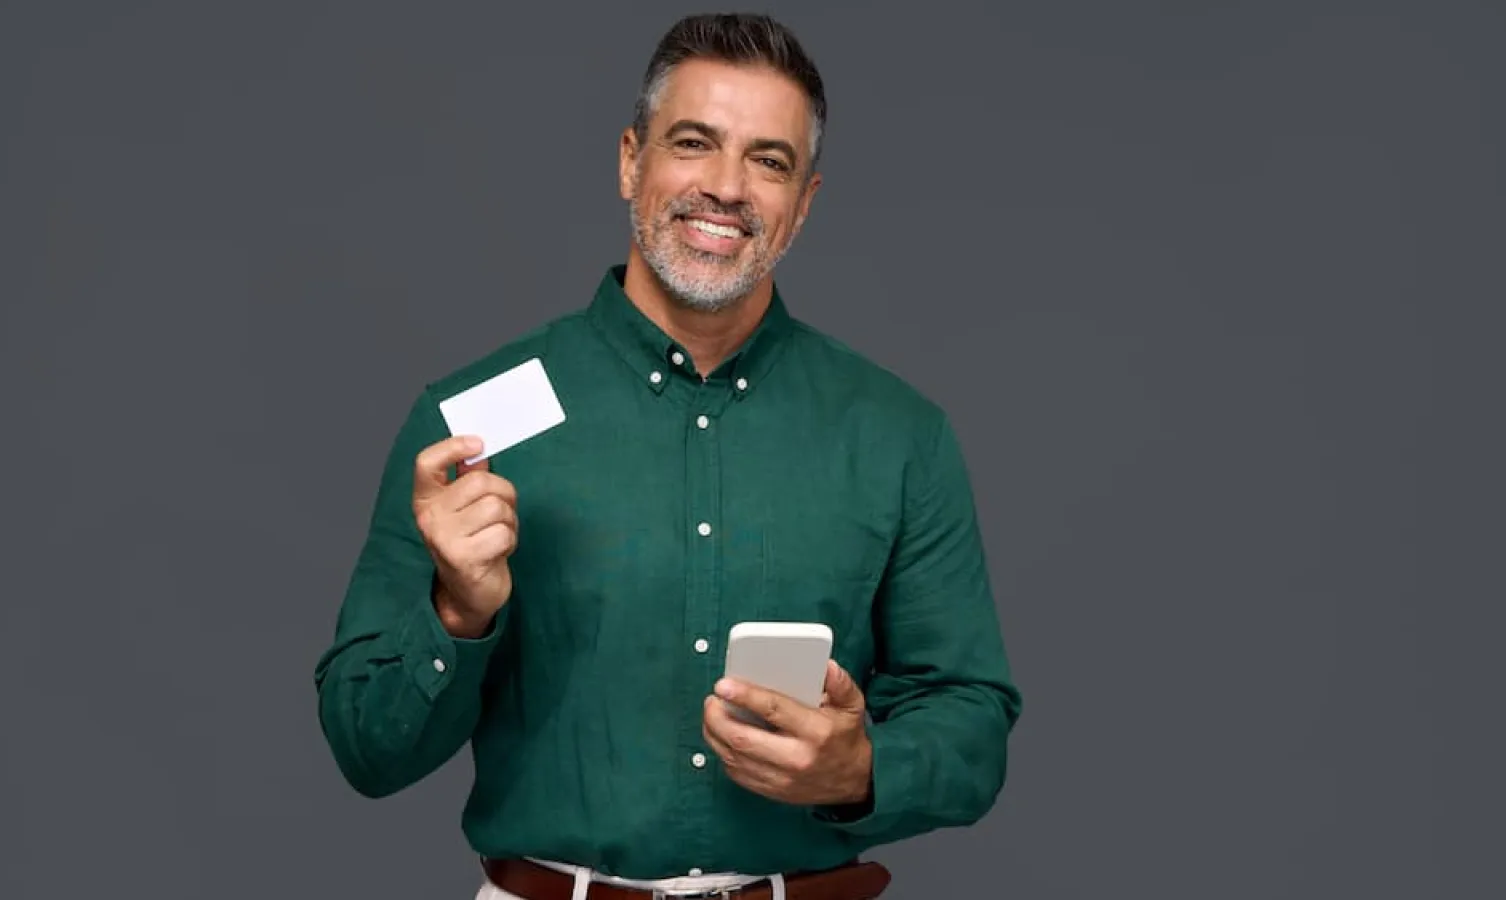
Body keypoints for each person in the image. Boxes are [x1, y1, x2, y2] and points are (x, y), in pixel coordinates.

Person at [313, 12, 1023, 900]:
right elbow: (364, 749)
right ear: (629, 161)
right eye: (695, 143)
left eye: (769, 161)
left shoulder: (897, 433)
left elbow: (973, 731)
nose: (726, 188)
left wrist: (862, 767)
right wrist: (457, 614)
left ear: (802, 203)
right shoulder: (472, 425)